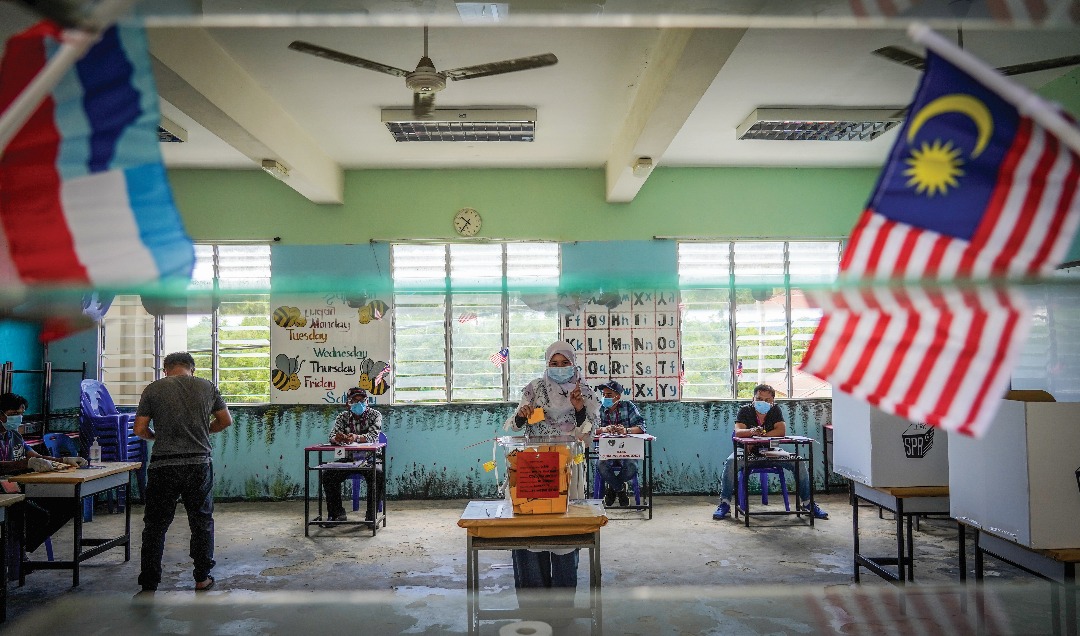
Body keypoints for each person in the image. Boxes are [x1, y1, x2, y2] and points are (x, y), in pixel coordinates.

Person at [504, 341, 601, 593]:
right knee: (530, 529)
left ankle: (561, 603)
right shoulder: (534, 389)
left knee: (564, 531)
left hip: (568, 467)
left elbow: (589, 433)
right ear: (547, 364)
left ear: (573, 363)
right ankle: (532, 602)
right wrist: (522, 415)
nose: (559, 368)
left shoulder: (585, 392)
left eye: (564, 363)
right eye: (553, 363)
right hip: (534, 467)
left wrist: (579, 408)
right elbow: (513, 425)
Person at [134, 351, 232, 593]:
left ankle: (149, 582)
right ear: (192, 369)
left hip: (163, 465)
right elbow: (225, 420)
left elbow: (139, 429)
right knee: (201, 522)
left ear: (165, 370)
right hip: (198, 464)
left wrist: (158, 437)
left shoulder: (154, 389)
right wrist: (201, 432)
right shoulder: (207, 387)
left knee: (155, 525)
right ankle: (202, 577)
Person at [712, 384, 828, 521]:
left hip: (772, 451)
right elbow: (738, 432)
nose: (763, 402)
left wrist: (762, 435)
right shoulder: (745, 410)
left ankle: (808, 503)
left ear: (773, 401)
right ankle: (724, 504)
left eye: (767, 400)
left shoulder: (775, 411)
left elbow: (781, 431)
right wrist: (751, 432)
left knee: (799, 462)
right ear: (753, 398)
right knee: (731, 462)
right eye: (759, 398)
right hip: (747, 452)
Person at [1, 392, 87, 561]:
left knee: (69, 504)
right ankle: (14, 553)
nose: (18, 418)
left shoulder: (14, 436)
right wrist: (27, 464)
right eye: (13, 414)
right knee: (37, 514)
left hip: (20, 486)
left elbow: (33, 455)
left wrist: (62, 460)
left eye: (21, 414)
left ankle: (21, 547)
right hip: (4, 489)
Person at [321, 386, 385, 526]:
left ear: (367, 401)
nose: (359, 404)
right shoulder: (342, 417)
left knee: (378, 474)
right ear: (348, 403)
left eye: (362, 400)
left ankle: (371, 516)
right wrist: (337, 438)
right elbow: (331, 436)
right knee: (328, 475)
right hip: (349, 459)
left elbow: (373, 436)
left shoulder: (375, 415)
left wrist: (355, 437)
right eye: (355, 401)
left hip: (369, 458)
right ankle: (336, 514)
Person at [594, 380, 646, 507]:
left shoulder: (628, 406)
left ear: (618, 396)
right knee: (601, 465)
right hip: (606, 450)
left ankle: (613, 488)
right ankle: (620, 490)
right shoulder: (599, 409)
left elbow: (642, 427)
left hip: (626, 450)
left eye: (609, 395)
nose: (605, 397)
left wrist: (626, 430)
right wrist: (605, 429)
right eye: (604, 394)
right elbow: (591, 430)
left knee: (632, 467)